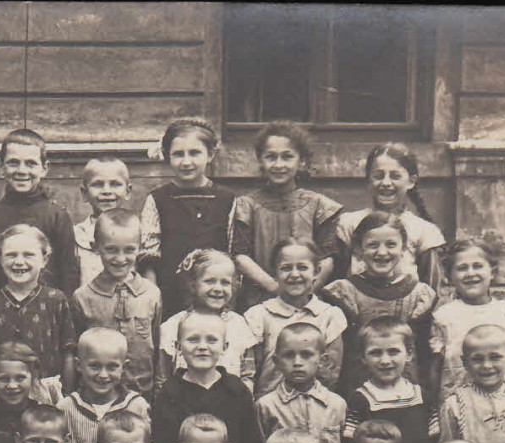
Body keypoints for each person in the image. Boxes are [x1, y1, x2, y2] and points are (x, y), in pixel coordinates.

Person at [322, 211, 439, 397]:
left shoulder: (419, 295)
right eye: (372, 245)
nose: (382, 252)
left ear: (403, 249)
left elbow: (425, 353)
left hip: (408, 392)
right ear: (359, 250)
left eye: (391, 245)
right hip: (357, 391)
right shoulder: (344, 293)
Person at [229, 121, 341, 310]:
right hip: (260, 299)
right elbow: (241, 255)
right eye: (271, 157)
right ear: (260, 160)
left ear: (301, 161)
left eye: (287, 157)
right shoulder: (246, 206)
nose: (278, 164)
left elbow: (328, 257)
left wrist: (304, 291)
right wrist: (276, 288)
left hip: (306, 297)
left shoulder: (320, 206)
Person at [147, 313, 264, 443]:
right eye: (193, 340)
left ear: (225, 346)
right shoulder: (169, 394)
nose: (202, 346)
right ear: (178, 347)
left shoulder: (237, 392)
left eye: (211, 340)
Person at [140, 117, 238, 317]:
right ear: (168, 156)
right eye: (178, 154)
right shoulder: (158, 199)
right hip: (170, 295)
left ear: (210, 155)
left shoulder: (226, 199)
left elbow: (232, 252)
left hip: (216, 295)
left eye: (194, 153)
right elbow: (149, 256)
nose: (186, 162)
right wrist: (153, 296)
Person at [0, 223, 84, 399]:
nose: (19, 262)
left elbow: (68, 353)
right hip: (2, 391)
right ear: (0, 259)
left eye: (28, 255)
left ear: (44, 260)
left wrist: (68, 394)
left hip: (45, 391)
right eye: (11, 255)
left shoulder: (55, 299)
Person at [429, 234, 505, 406]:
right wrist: (435, 409)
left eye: (477, 266)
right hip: (459, 405)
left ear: (492, 272)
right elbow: (436, 367)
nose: (470, 273)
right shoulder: (444, 316)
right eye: (462, 268)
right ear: (450, 276)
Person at [71, 209, 162, 397]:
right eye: (111, 250)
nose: (120, 259)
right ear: (96, 247)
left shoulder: (151, 294)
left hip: (142, 394)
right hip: (97, 395)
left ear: (140, 247)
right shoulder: (82, 297)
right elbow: (77, 353)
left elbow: (157, 347)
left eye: (129, 250)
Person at [343, 316, 438, 443]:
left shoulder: (423, 397)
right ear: (363, 358)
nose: (385, 360)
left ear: (409, 354)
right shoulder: (361, 399)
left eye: (393, 351)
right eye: (375, 353)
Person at [244, 238, 347, 398]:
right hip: (267, 407)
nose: (294, 274)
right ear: (274, 273)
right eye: (285, 268)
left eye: (302, 267)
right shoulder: (259, 315)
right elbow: (250, 370)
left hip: (315, 405)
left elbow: (331, 372)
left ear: (316, 272)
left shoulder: (329, 316)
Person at [333, 143, 447, 287]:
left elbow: (431, 291)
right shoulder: (348, 224)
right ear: (369, 180)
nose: (386, 183)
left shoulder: (424, 231)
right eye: (378, 176)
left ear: (411, 181)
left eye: (395, 176)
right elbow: (336, 282)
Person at [256, 323, 348, 443]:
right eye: (289, 355)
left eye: (306, 355)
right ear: (276, 361)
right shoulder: (267, 406)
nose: (297, 362)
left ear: (322, 360)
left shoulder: (337, 405)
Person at [0, 128, 80, 295]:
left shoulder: (57, 216)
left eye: (30, 163)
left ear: (44, 168)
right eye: (13, 162)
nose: (22, 171)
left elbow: (69, 272)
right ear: (0, 166)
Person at [157, 249, 258, 393]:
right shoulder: (174, 325)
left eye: (225, 283)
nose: (218, 288)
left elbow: (248, 374)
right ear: (193, 284)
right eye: (210, 281)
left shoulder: (239, 325)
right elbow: (163, 378)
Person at [58, 326, 150, 443]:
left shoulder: (137, 406)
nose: (103, 375)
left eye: (112, 367)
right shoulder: (66, 408)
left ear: (124, 367)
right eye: (94, 366)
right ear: (79, 366)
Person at [73, 156, 133, 289]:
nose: (106, 191)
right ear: (84, 193)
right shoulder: (77, 235)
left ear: (128, 191)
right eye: (98, 184)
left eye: (115, 184)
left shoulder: (136, 231)